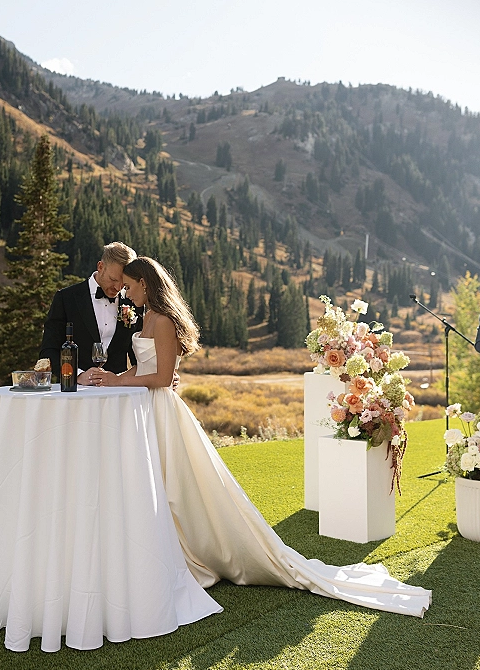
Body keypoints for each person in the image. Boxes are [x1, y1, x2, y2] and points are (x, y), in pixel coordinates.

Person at [95, 257, 432, 618]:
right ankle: (167, 549)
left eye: (129, 286)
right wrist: (112, 375)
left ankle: (197, 552)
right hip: (148, 411)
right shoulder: (147, 317)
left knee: (179, 487)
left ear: (145, 283)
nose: (126, 294)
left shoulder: (162, 321)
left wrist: (116, 381)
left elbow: (162, 378)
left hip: (163, 411)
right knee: (161, 487)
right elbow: (143, 368)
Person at [39, 242, 142, 384]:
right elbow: (49, 351)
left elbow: (140, 355)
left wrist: (162, 374)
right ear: (100, 267)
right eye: (113, 279)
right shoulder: (66, 298)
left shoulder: (133, 302)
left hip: (119, 393)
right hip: (76, 393)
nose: (118, 288)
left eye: (124, 283)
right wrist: (78, 376)